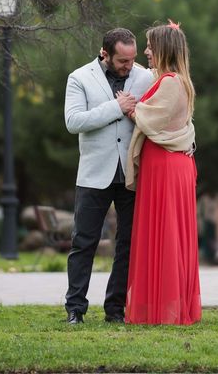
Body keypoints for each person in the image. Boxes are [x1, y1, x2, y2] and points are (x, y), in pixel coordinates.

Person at [63, 27, 154, 324]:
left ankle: (115, 309)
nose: (130, 66)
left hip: (131, 174)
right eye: (123, 61)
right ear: (105, 54)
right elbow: (74, 121)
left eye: (132, 59)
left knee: (127, 244)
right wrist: (117, 107)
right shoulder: (79, 78)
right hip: (93, 175)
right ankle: (75, 308)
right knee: (83, 242)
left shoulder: (146, 78)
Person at [124, 21, 201, 325]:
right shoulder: (176, 80)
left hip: (166, 165)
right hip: (169, 163)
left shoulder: (171, 82)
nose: (146, 52)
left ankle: (162, 308)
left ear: (164, 49)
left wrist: (128, 107)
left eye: (150, 46)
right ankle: (161, 304)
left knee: (165, 232)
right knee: (166, 231)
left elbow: (152, 121)